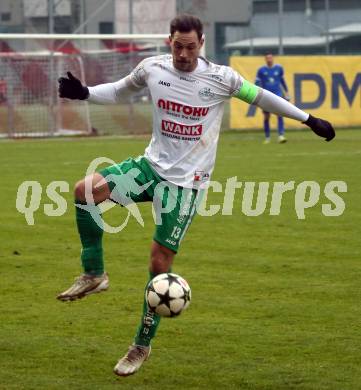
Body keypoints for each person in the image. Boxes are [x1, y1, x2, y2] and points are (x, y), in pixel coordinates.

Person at [56, 14, 335, 377]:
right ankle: (94, 274)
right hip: (150, 168)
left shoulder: (221, 78)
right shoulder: (153, 68)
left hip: (186, 185)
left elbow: (262, 97)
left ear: (201, 44)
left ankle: (140, 345)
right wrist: (86, 93)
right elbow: (122, 89)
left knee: (159, 264)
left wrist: (308, 119)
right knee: (85, 191)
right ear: (168, 41)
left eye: (190, 47)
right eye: (177, 46)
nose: (183, 54)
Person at [255, 53, 290, 144]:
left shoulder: (279, 68)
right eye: (267, 58)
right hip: (266, 96)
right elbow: (257, 83)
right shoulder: (261, 70)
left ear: (273, 58)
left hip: (278, 95)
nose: (269, 59)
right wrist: (256, 94)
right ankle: (267, 137)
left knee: (280, 114)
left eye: (270, 57)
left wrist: (286, 92)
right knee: (267, 117)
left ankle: (281, 136)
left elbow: (282, 81)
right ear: (265, 59)